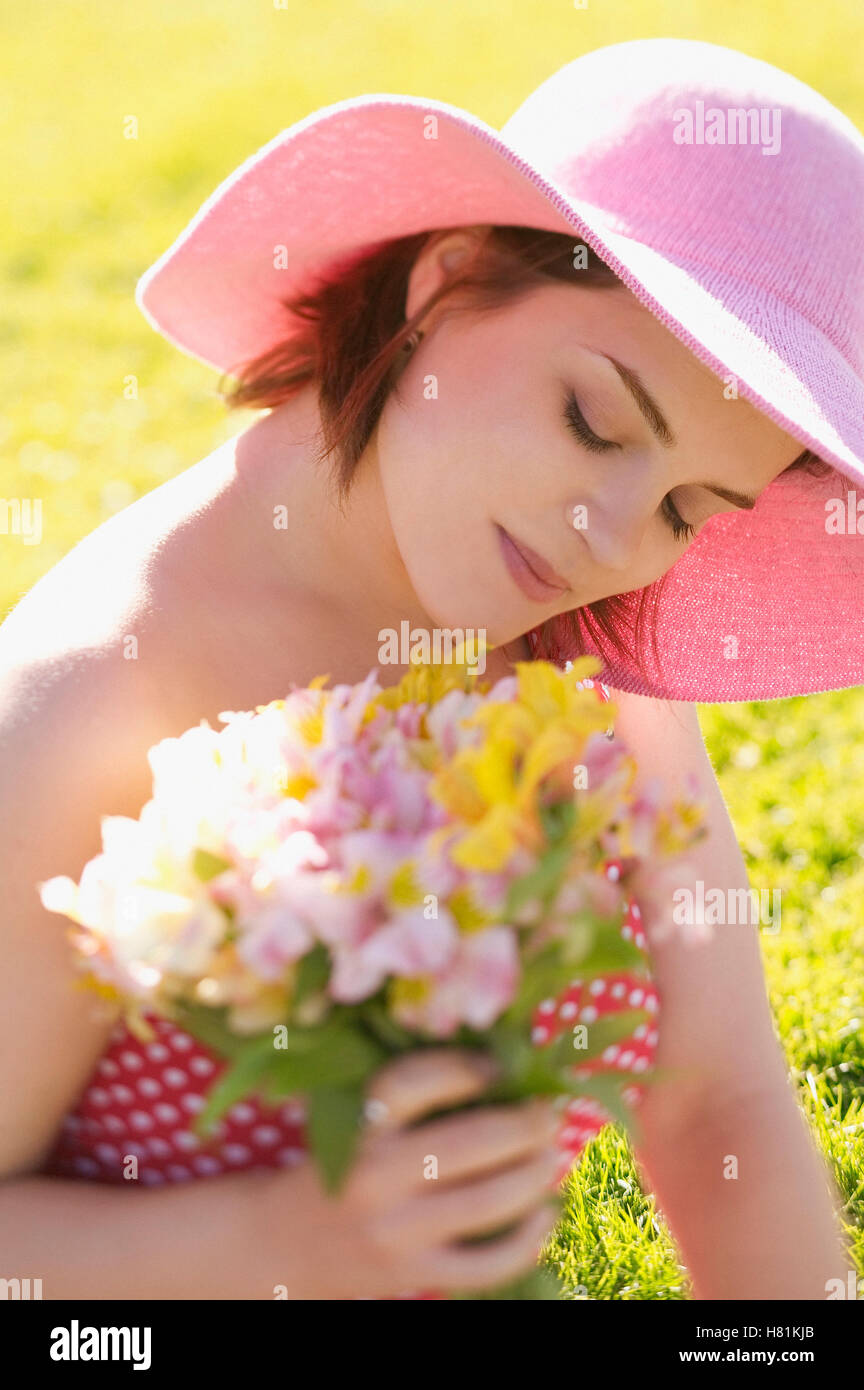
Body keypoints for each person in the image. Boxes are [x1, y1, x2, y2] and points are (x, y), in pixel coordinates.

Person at [1, 37, 861, 1300]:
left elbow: (719, 1100)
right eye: (595, 420)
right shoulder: (98, 695)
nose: (615, 543)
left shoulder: (573, 660)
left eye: (689, 506)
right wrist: (269, 1251)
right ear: (445, 284)